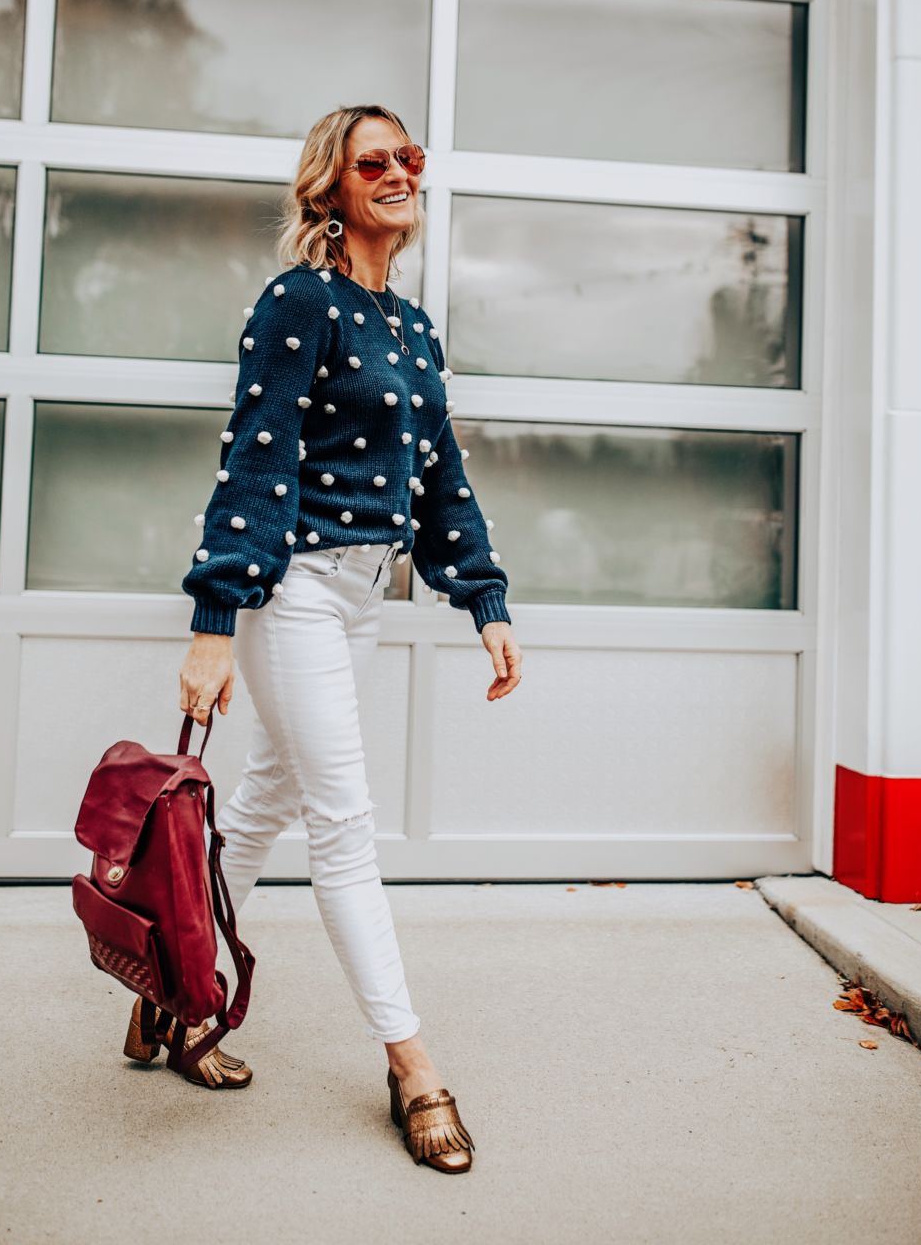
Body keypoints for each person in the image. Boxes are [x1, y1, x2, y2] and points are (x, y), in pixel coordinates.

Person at [162, 102, 522, 1171]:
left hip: (364, 594)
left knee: (267, 797)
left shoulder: (410, 330)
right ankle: (411, 1064)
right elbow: (254, 459)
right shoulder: (297, 304)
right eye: (375, 161)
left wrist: (485, 600)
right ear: (331, 185)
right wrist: (215, 623)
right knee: (343, 821)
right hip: (293, 591)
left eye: (409, 158)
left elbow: (440, 478)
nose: (399, 173)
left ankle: (172, 994)